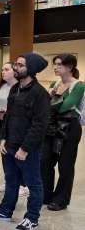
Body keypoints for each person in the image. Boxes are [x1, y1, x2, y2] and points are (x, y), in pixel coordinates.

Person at [0, 53, 49, 230]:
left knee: (34, 184)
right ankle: (5, 212)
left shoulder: (40, 94)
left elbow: (39, 125)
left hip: (28, 149)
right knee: (10, 180)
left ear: (31, 68)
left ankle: (32, 218)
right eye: (16, 65)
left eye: (20, 65)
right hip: (9, 144)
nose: (16, 68)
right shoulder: (14, 89)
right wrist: (3, 138)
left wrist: (25, 148)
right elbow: (8, 117)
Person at [41, 54, 84, 211]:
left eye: (59, 64)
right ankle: (45, 195)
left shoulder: (78, 86)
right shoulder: (55, 83)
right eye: (55, 64)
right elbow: (46, 105)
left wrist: (53, 95)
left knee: (65, 165)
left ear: (70, 67)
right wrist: (51, 97)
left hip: (70, 127)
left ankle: (61, 199)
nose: (55, 67)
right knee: (45, 161)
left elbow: (66, 106)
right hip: (52, 126)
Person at [0, 62, 28, 197]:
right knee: (3, 152)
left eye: (6, 69)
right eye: (2, 69)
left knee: (16, 153)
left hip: (14, 125)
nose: (3, 72)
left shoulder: (20, 87)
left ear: (14, 71)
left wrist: (8, 113)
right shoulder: (0, 86)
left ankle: (22, 184)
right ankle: (9, 180)